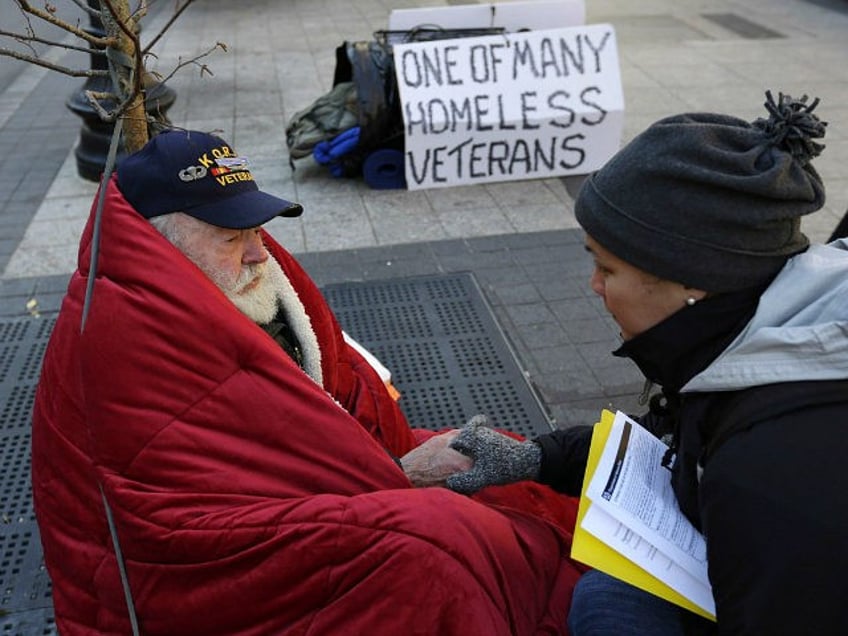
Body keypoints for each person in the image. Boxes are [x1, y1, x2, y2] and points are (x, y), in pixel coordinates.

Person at [31, 129, 585, 635]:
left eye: (256, 228)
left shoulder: (241, 272)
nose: (256, 252)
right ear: (161, 244)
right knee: (429, 546)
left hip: (343, 480)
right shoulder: (119, 334)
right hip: (188, 569)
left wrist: (398, 464)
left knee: (498, 463)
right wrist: (399, 479)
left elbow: (333, 403)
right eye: (230, 237)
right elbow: (177, 513)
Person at [404, 91, 848, 635]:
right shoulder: (763, 324)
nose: (594, 287)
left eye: (608, 269)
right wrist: (536, 457)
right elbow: (678, 434)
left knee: (605, 601)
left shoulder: (771, 475)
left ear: (692, 279)